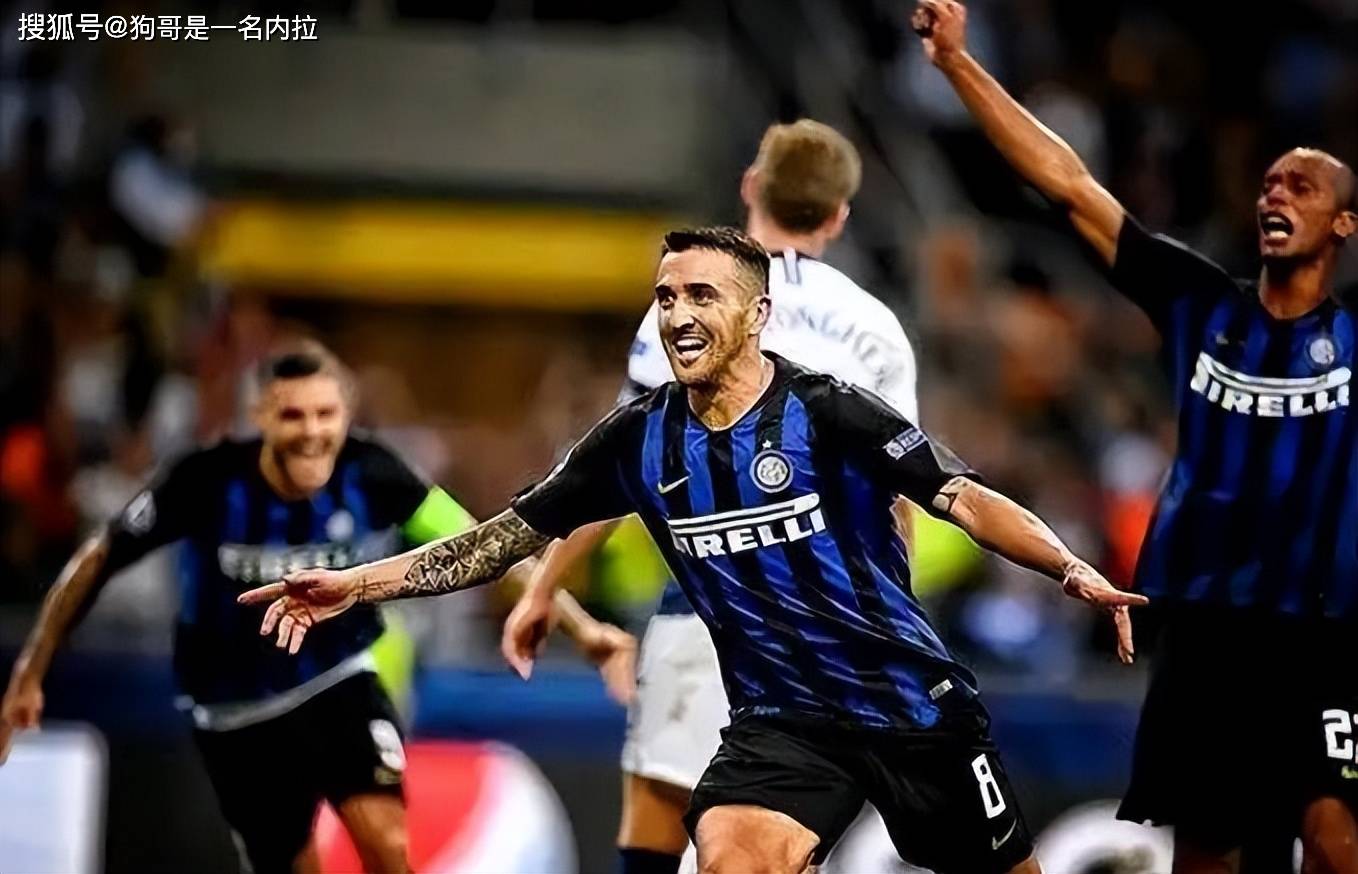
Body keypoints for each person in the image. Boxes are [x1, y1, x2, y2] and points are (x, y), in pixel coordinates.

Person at [241, 228, 1146, 874]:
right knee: (729, 859)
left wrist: (1069, 566)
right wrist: (356, 585)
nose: (676, 312)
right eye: (665, 296)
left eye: (701, 295)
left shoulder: (827, 411)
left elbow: (965, 498)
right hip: (783, 724)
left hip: (911, 708)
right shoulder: (635, 439)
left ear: (756, 315)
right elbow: (495, 542)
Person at [911, 2, 1358, 871]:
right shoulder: (1202, 303)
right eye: (1270, 183)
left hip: (1323, 630)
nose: (1276, 193)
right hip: (1208, 627)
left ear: (1344, 224)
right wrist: (958, 63)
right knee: (1208, 853)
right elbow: (1071, 185)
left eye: (1302, 187)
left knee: (1334, 837)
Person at [0, 340, 631, 874]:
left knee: (387, 845)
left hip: (338, 679)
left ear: (346, 416)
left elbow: (479, 545)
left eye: (325, 414)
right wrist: (31, 670)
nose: (311, 432)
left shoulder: (373, 472)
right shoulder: (205, 480)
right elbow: (99, 558)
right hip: (234, 709)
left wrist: (581, 627)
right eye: (292, 415)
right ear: (261, 417)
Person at [503, 118, 919, 874]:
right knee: (785, 847)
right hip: (840, 635)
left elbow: (611, 477)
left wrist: (543, 589)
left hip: (713, 608)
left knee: (658, 823)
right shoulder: (877, 329)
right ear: (837, 216)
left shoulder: (688, 309)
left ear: (751, 187)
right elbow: (900, 499)